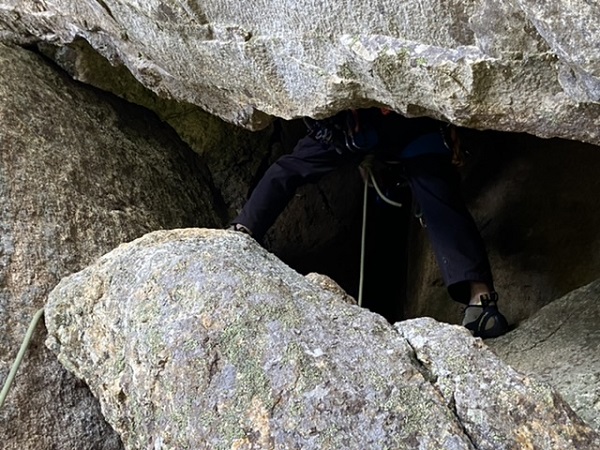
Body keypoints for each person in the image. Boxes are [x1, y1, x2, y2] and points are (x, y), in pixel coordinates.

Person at [230, 108, 509, 339]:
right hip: (367, 129)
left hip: (383, 129)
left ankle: (243, 230)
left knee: (290, 169)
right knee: (438, 198)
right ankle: (481, 301)